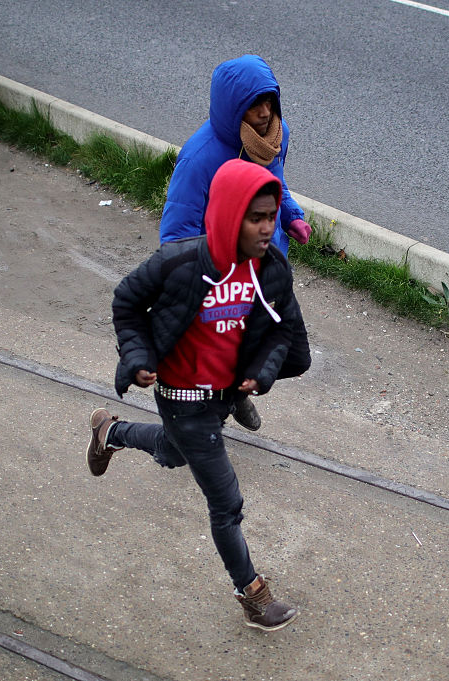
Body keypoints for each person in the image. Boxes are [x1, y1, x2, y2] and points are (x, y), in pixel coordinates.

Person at [87, 159, 311, 631]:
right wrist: (138, 356)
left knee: (172, 453)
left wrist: (261, 372)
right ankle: (251, 595)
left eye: (272, 216)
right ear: (230, 215)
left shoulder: (269, 270)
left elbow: (281, 333)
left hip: (222, 398)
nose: (268, 227)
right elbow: (126, 301)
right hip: (181, 397)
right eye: (257, 218)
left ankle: (110, 432)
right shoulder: (179, 261)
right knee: (226, 503)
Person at [159, 54, 312, 431]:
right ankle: (215, 404)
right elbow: (176, 232)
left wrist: (290, 214)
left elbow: (277, 183)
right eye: (254, 104)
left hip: (269, 269)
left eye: (270, 101)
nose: (264, 112)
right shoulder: (200, 158)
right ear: (233, 108)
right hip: (224, 280)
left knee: (295, 357)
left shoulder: (276, 136)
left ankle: (231, 393)